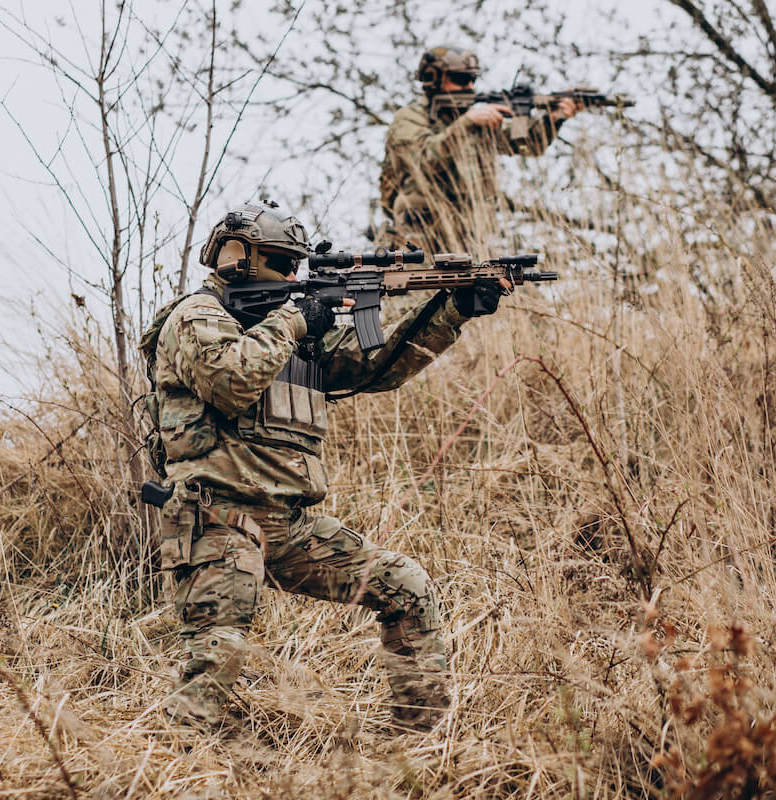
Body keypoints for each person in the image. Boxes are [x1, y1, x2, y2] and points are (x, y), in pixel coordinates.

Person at [140, 202, 509, 733]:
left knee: (406, 587)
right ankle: (167, 764)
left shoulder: (290, 331)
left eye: (297, 265)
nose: (294, 276)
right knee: (218, 657)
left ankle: (417, 739)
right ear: (242, 260)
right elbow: (229, 379)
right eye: (284, 263)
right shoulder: (195, 318)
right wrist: (294, 318)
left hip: (289, 526)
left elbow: (375, 367)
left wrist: (451, 311)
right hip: (217, 518)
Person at [379, 44, 583, 254]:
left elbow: (525, 144)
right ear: (433, 78)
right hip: (421, 236)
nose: (469, 85)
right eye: (460, 79)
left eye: (472, 79)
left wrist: (553, 118)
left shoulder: (478, 121)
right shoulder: (409, 118)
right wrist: (466, 123)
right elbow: (424, 161)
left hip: (470, 235)